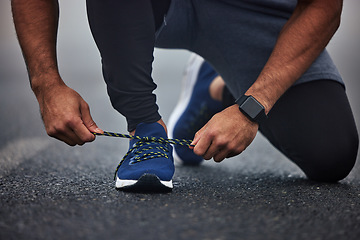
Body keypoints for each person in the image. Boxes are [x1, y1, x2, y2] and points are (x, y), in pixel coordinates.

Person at [11, 0, 358, 192]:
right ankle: (146, 128)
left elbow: (326, 6)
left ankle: (219, 88)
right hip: (160, 8)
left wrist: (252, 106)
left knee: (331, 154)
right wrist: (47, 84)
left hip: (260, 15)